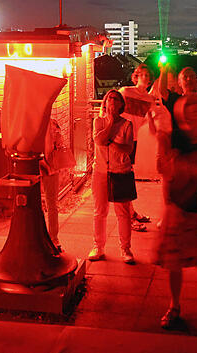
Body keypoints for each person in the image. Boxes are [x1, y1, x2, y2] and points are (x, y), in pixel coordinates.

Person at [156, 94, 197, 337]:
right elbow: (164, 170)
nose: (196, 113)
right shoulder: (175, 138)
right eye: (191, 109)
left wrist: (190, 168)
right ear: (182, 113)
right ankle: (174, 307)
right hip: (179, 208)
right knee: (175, 264)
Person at [90, 90, 136, 264]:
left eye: (115, 99)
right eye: (109, 98)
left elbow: (128, 150)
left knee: (123, 212)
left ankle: (125, 248)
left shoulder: (127, 125)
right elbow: (99, 140)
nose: (111, 101)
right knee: (100, 211)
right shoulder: (98, 121)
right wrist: (109, 123)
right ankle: (98, 246)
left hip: (121, 171)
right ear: (105, 102)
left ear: (121, 104)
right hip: (101, 171)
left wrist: (111, 142)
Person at [119, 64, 156, 229]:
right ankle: (129, 217)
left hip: (133, 140)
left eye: (149, 75)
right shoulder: (126, 92)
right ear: (137, 75)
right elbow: (108, 107)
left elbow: (150, 121)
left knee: (128, 176)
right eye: (143, 74)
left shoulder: (149, 99)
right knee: (124, 178)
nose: (146, 77)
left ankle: (132, 212)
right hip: (121, 139)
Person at [41, 117, 73, 253]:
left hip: (50, 167)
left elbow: (59, 144)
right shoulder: (39, 123)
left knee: (51, 203)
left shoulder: (52, 123)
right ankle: (48, 237)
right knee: (46, 204)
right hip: (39, 166)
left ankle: (53, 238)